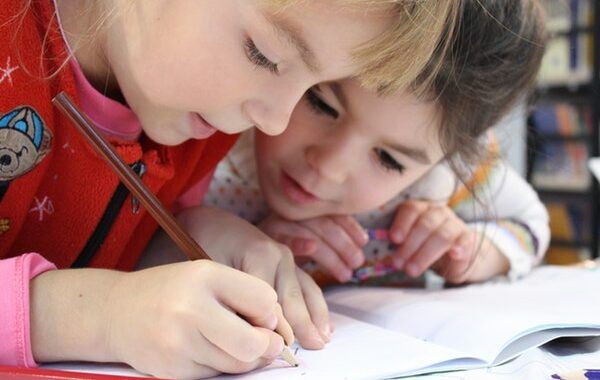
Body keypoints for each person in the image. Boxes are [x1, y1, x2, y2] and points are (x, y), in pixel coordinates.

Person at [0, 0, 461, 378]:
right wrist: (100, 316)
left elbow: (97, 247)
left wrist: (189, 238)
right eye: (265, 55)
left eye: (314, 86)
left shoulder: (202, 122)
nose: (275, 120)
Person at [203, 0, 550, 287]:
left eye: (388, 159)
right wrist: (231, 246)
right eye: (320, 104)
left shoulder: (443, 181)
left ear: (449, 158)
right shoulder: (212, 137)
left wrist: (476, 252)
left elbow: (531, 224)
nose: (329, 167)